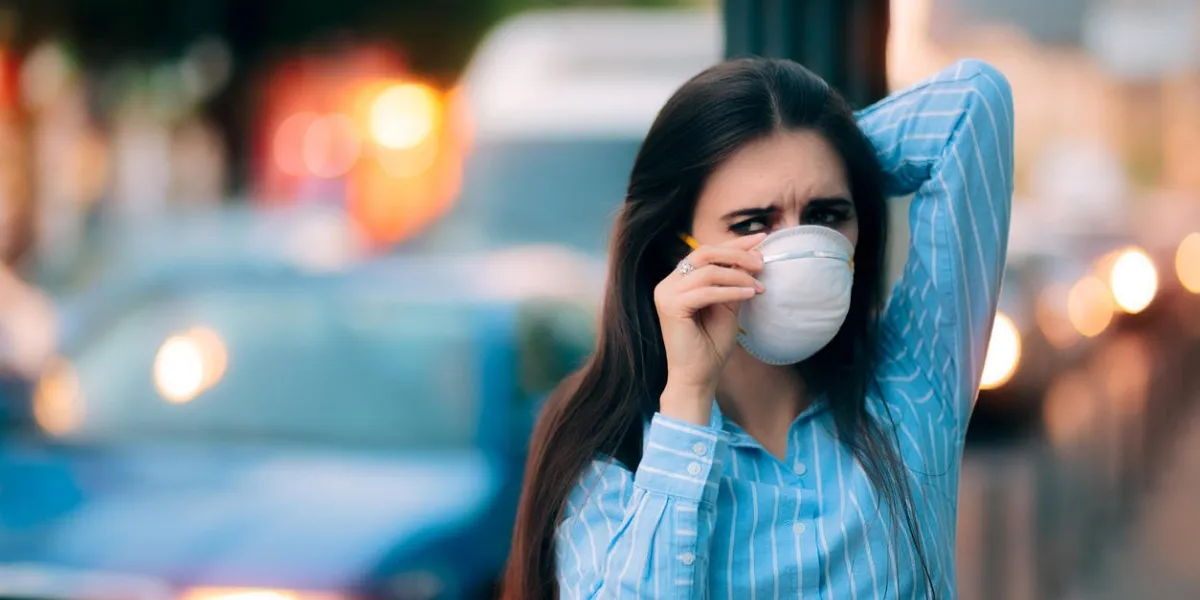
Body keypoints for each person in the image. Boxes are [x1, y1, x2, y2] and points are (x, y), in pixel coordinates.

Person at [505, 56, 1013, 599]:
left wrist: (827, 143)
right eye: (752, 223)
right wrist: (687, 399)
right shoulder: (610, 449)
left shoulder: (913, 381)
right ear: (679, 249)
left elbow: (973, 105)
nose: (800, 246)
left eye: (826, 215)